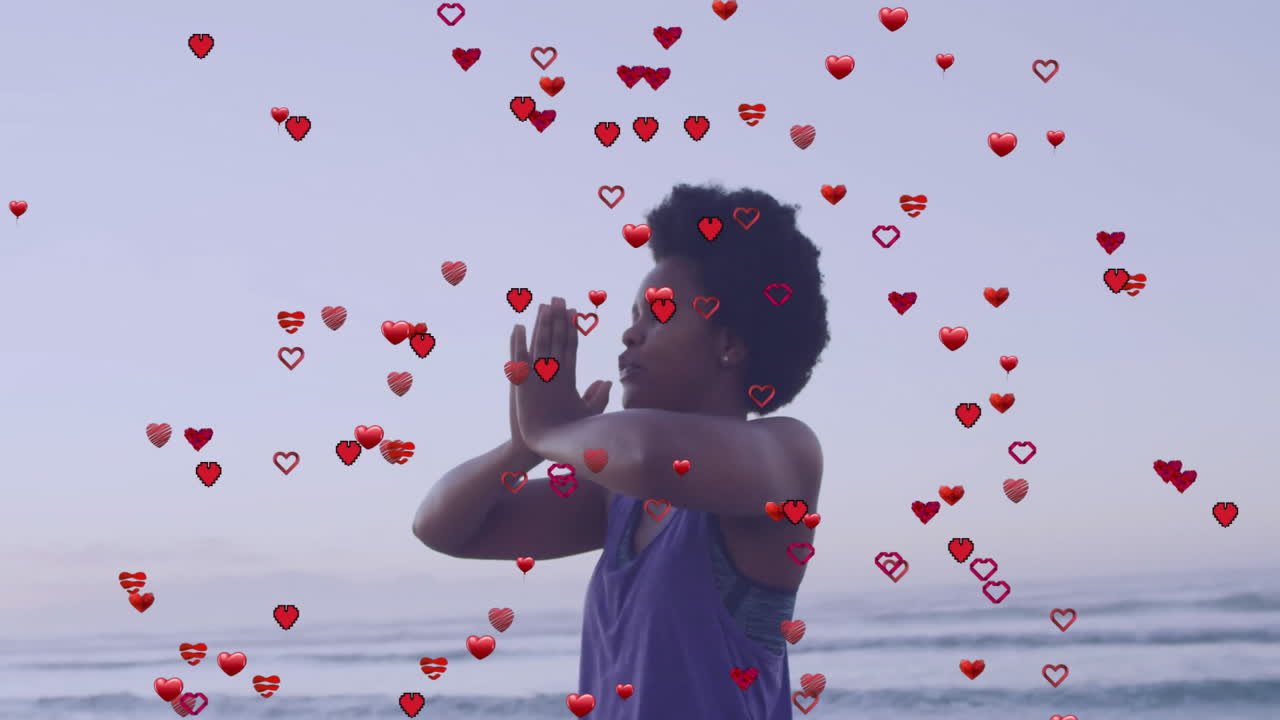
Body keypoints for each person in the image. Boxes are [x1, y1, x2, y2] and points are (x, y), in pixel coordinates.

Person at [413, 183, 830, 719]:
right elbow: (441, 527)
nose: (631, 335)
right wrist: (522, 447)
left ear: (730, 344)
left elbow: (648, 454)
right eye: (634, 316)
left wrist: (551, 430)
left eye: (657, 313)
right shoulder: (620, 500)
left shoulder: (787, 454)